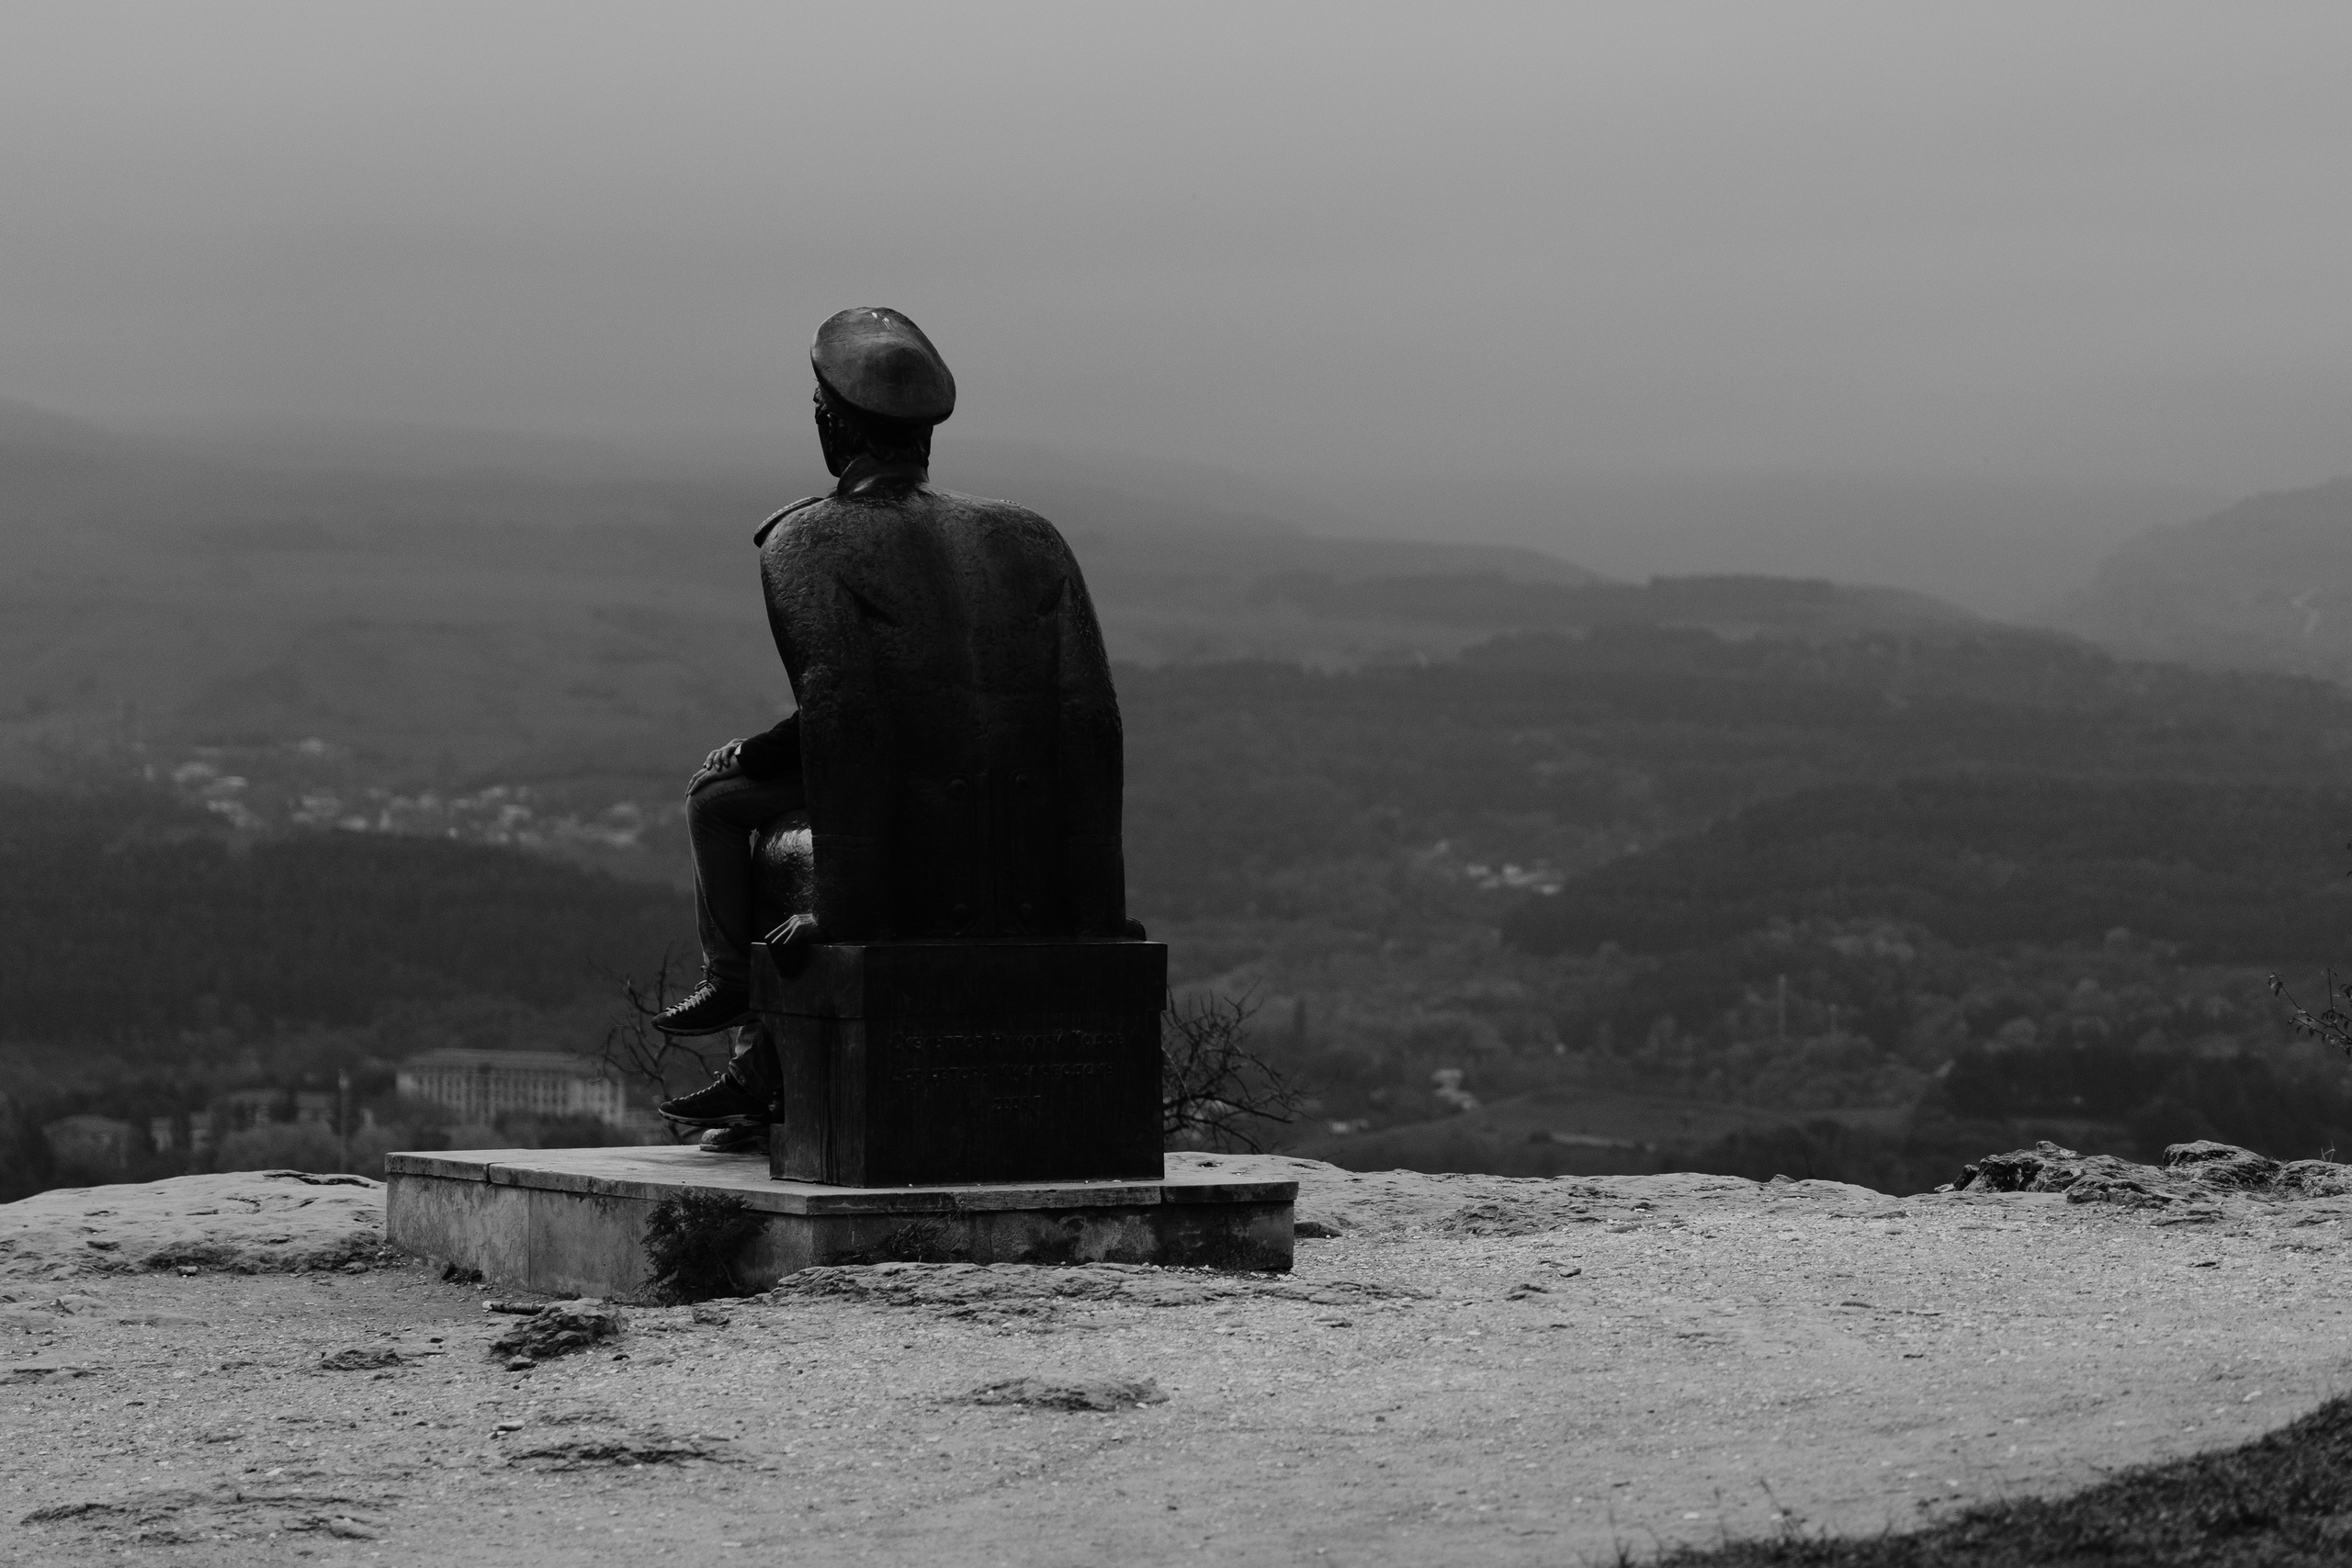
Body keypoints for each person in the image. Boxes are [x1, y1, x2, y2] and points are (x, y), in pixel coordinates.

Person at [650, 307, 1132, 1138]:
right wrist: (1097, 910)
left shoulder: (808, 539)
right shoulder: (1030, 535)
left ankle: (746, 1012)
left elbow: (849, 718)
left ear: (830, 424)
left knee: (732, 809)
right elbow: (1090, 724)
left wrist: (846, 909)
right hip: (1028, 834)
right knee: (747, 790)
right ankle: (762, 1064)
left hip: (908, 813)